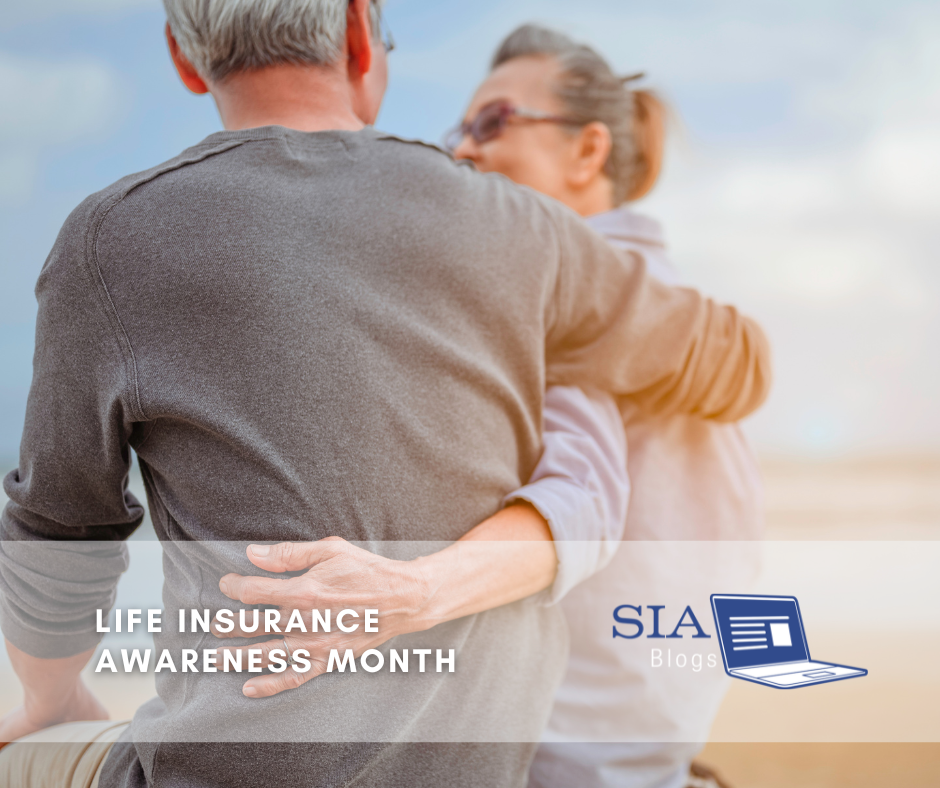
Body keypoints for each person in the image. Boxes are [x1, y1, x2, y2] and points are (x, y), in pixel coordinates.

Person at [0, 1, 770, 786]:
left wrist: (52, 696)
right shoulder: (519, 233)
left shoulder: (107, 238)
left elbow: (57, 532)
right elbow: (735, 359)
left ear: (184, 59)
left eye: (493, 122)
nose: (463, 147)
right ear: (361, 35)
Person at [449, 24, 766, 788]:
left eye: (493, 122)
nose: (463, 149)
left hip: (579, 751)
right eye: (459, 129)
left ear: (588, 152)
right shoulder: (662, 298)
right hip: (648, 738)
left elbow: (577, 507)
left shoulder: (576, 304)